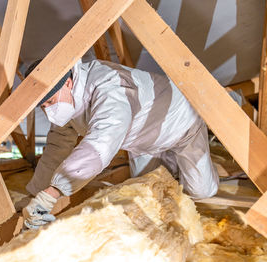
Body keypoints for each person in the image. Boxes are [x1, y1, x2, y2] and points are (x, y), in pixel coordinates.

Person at [22, 59, 219, 229]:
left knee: (201, 191)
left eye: (50, 102)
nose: (48, 111)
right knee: (149, 194)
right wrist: (36, 195)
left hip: (181, 128)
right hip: (143, 143)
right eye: (43, 106)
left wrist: (52, 193)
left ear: (67, 82)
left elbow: (101, 145)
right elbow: (56, 148)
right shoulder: (67, 103)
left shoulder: (107, 85)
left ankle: (208, 144)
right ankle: (172, 162)